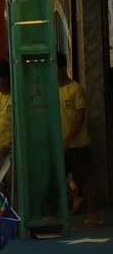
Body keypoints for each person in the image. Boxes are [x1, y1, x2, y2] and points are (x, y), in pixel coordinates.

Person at [58, 51, 102, 227]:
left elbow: (79, 118)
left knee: (84, 177)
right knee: (56, 176)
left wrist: (67, 140)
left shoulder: (75, 89)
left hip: (77, 142)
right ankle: (75, 198)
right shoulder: (50, 89)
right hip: (58, 142)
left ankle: (93, 214)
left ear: (62, 68)